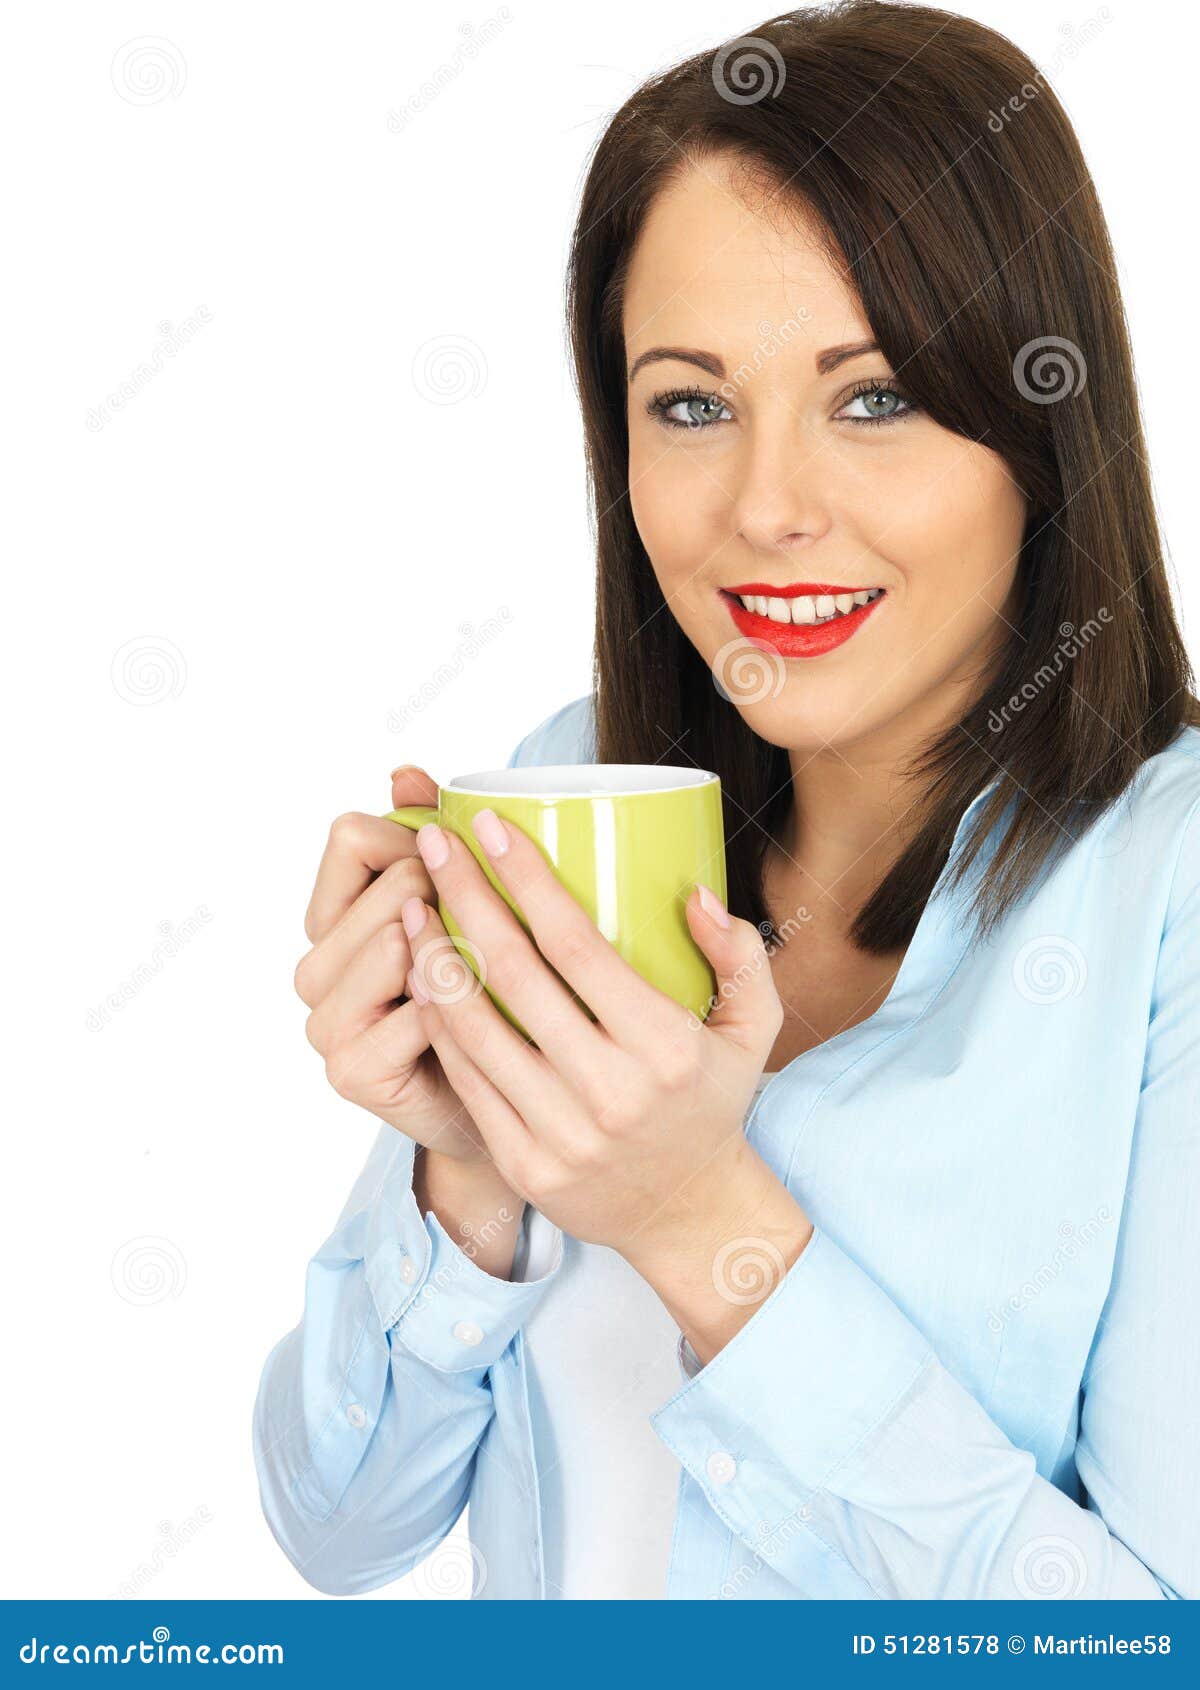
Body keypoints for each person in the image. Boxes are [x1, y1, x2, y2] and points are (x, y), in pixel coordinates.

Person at [253, 1, 1200, 1599]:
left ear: (1042, 424)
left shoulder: (1167, 887)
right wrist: (469, 1171)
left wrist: (699, 1221)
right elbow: (338, 1529)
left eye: (875, 396)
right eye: (691, 404)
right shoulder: (568, 786)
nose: (766, 508)